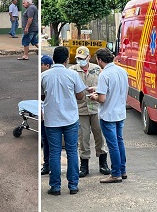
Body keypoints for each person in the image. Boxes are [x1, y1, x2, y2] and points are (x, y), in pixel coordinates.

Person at [41, 46, 87, 195]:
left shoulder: (44, 75)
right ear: (67, 60)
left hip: (52, 120)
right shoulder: (72, 75)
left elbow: (41, 96)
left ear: (53, 59)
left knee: (54, 153)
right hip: (70, 119)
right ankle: (73, 185)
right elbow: (80, 96)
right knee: (72, 151)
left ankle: (55, 187)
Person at [67, 46, 109, 177]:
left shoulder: (97, 69)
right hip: (80, 109)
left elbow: (104, 87)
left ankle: (103, 163)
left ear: (88, 57)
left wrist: (95, 90)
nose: (81, 61)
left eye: (83, 58)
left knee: (100, 136)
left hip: (96, 108)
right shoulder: (72, 70)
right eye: (78, 59)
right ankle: (84, 165)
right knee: (83, 137)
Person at [88, 48, 129, 183]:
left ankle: (115, 173)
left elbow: (102, 99)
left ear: (100, 60)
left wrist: (94, 97)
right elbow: (117, 89)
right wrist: (97, 89)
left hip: (108, 114)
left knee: (113, 145)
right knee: (119, 141)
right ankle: (122, 170)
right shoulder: (122, 71)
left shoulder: (104, 75)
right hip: (120, 112)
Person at [40, 54, 53, 175]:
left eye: (41, 64)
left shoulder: (46, 77)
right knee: (46, 140)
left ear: (47, 65)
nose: (40, 66)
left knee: (50, 141)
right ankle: (47, 165)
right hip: (47, 114)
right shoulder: (43, 77)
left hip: (49, 115)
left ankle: (49, 165)